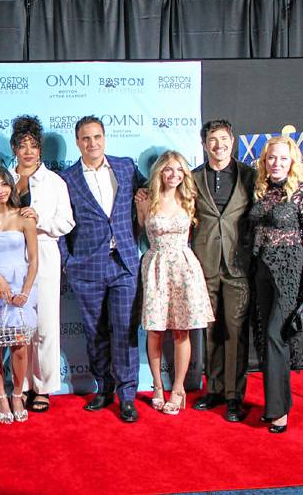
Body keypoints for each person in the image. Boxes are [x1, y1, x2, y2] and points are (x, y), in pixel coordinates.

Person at [59, 115, 145, 422]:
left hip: (124, 263)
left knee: (125, 331)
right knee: (96, 333)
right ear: (77, 142)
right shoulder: (67, 178)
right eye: (85, 138)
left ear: (104, 138)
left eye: (97, 137)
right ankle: (104, 388)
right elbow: (58, 224)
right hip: (86, 268)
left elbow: (150, 195)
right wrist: (67, 261)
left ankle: (127, 395)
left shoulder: (125, 167)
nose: (92, 143)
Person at [250, 136, 303, 433]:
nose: (276, 163)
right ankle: (274, 404)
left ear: (292, 162)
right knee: (265, 339)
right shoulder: (261, 189)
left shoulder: (302, 191)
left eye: (282, 158)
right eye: (271, 158)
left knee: (275, 336)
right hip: (261, 269)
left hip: (289, 270)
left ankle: (280, 410)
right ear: (264, 161)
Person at [135, 151, 214, 415]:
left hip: (183, 266)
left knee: (183, 330)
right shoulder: (146, 200)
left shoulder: (189, 199)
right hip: (156, 266)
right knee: (154, 330)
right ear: (159, 172)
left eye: (179, 170)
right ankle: (157, 386)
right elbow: (139, 231)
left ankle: (178, 388)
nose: (174, 175)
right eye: (168, 170)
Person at [6, 115, 74, 413]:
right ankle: (18, 387)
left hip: (45, 254)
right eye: (23, 146)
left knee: (45, 324)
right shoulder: (3, 180)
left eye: (34, 145)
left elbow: (67, 222)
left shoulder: (55, 182)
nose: (29, 151)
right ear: (14, 149)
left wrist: (39, 219)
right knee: (17, 325)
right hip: (10, 257)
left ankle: (43, 387)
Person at [191, 119, 255, 422]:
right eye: (213, 140)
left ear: (233, 141)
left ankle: (234, 396)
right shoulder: (193, 178)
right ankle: (213, 389)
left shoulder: (251, 176)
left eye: (224, 139)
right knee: (211, 331)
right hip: (205, 264)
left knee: (236, 332)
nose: (219, 145)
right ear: (205, 144)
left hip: (238, 265)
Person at [0, 166, 39, 423]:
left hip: (21, 285)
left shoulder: (25, 217)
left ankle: (16, 393)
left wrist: (24, 292)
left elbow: (34, 260)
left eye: (4, 184)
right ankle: (1, 396)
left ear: (12, 186)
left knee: (20, 345)